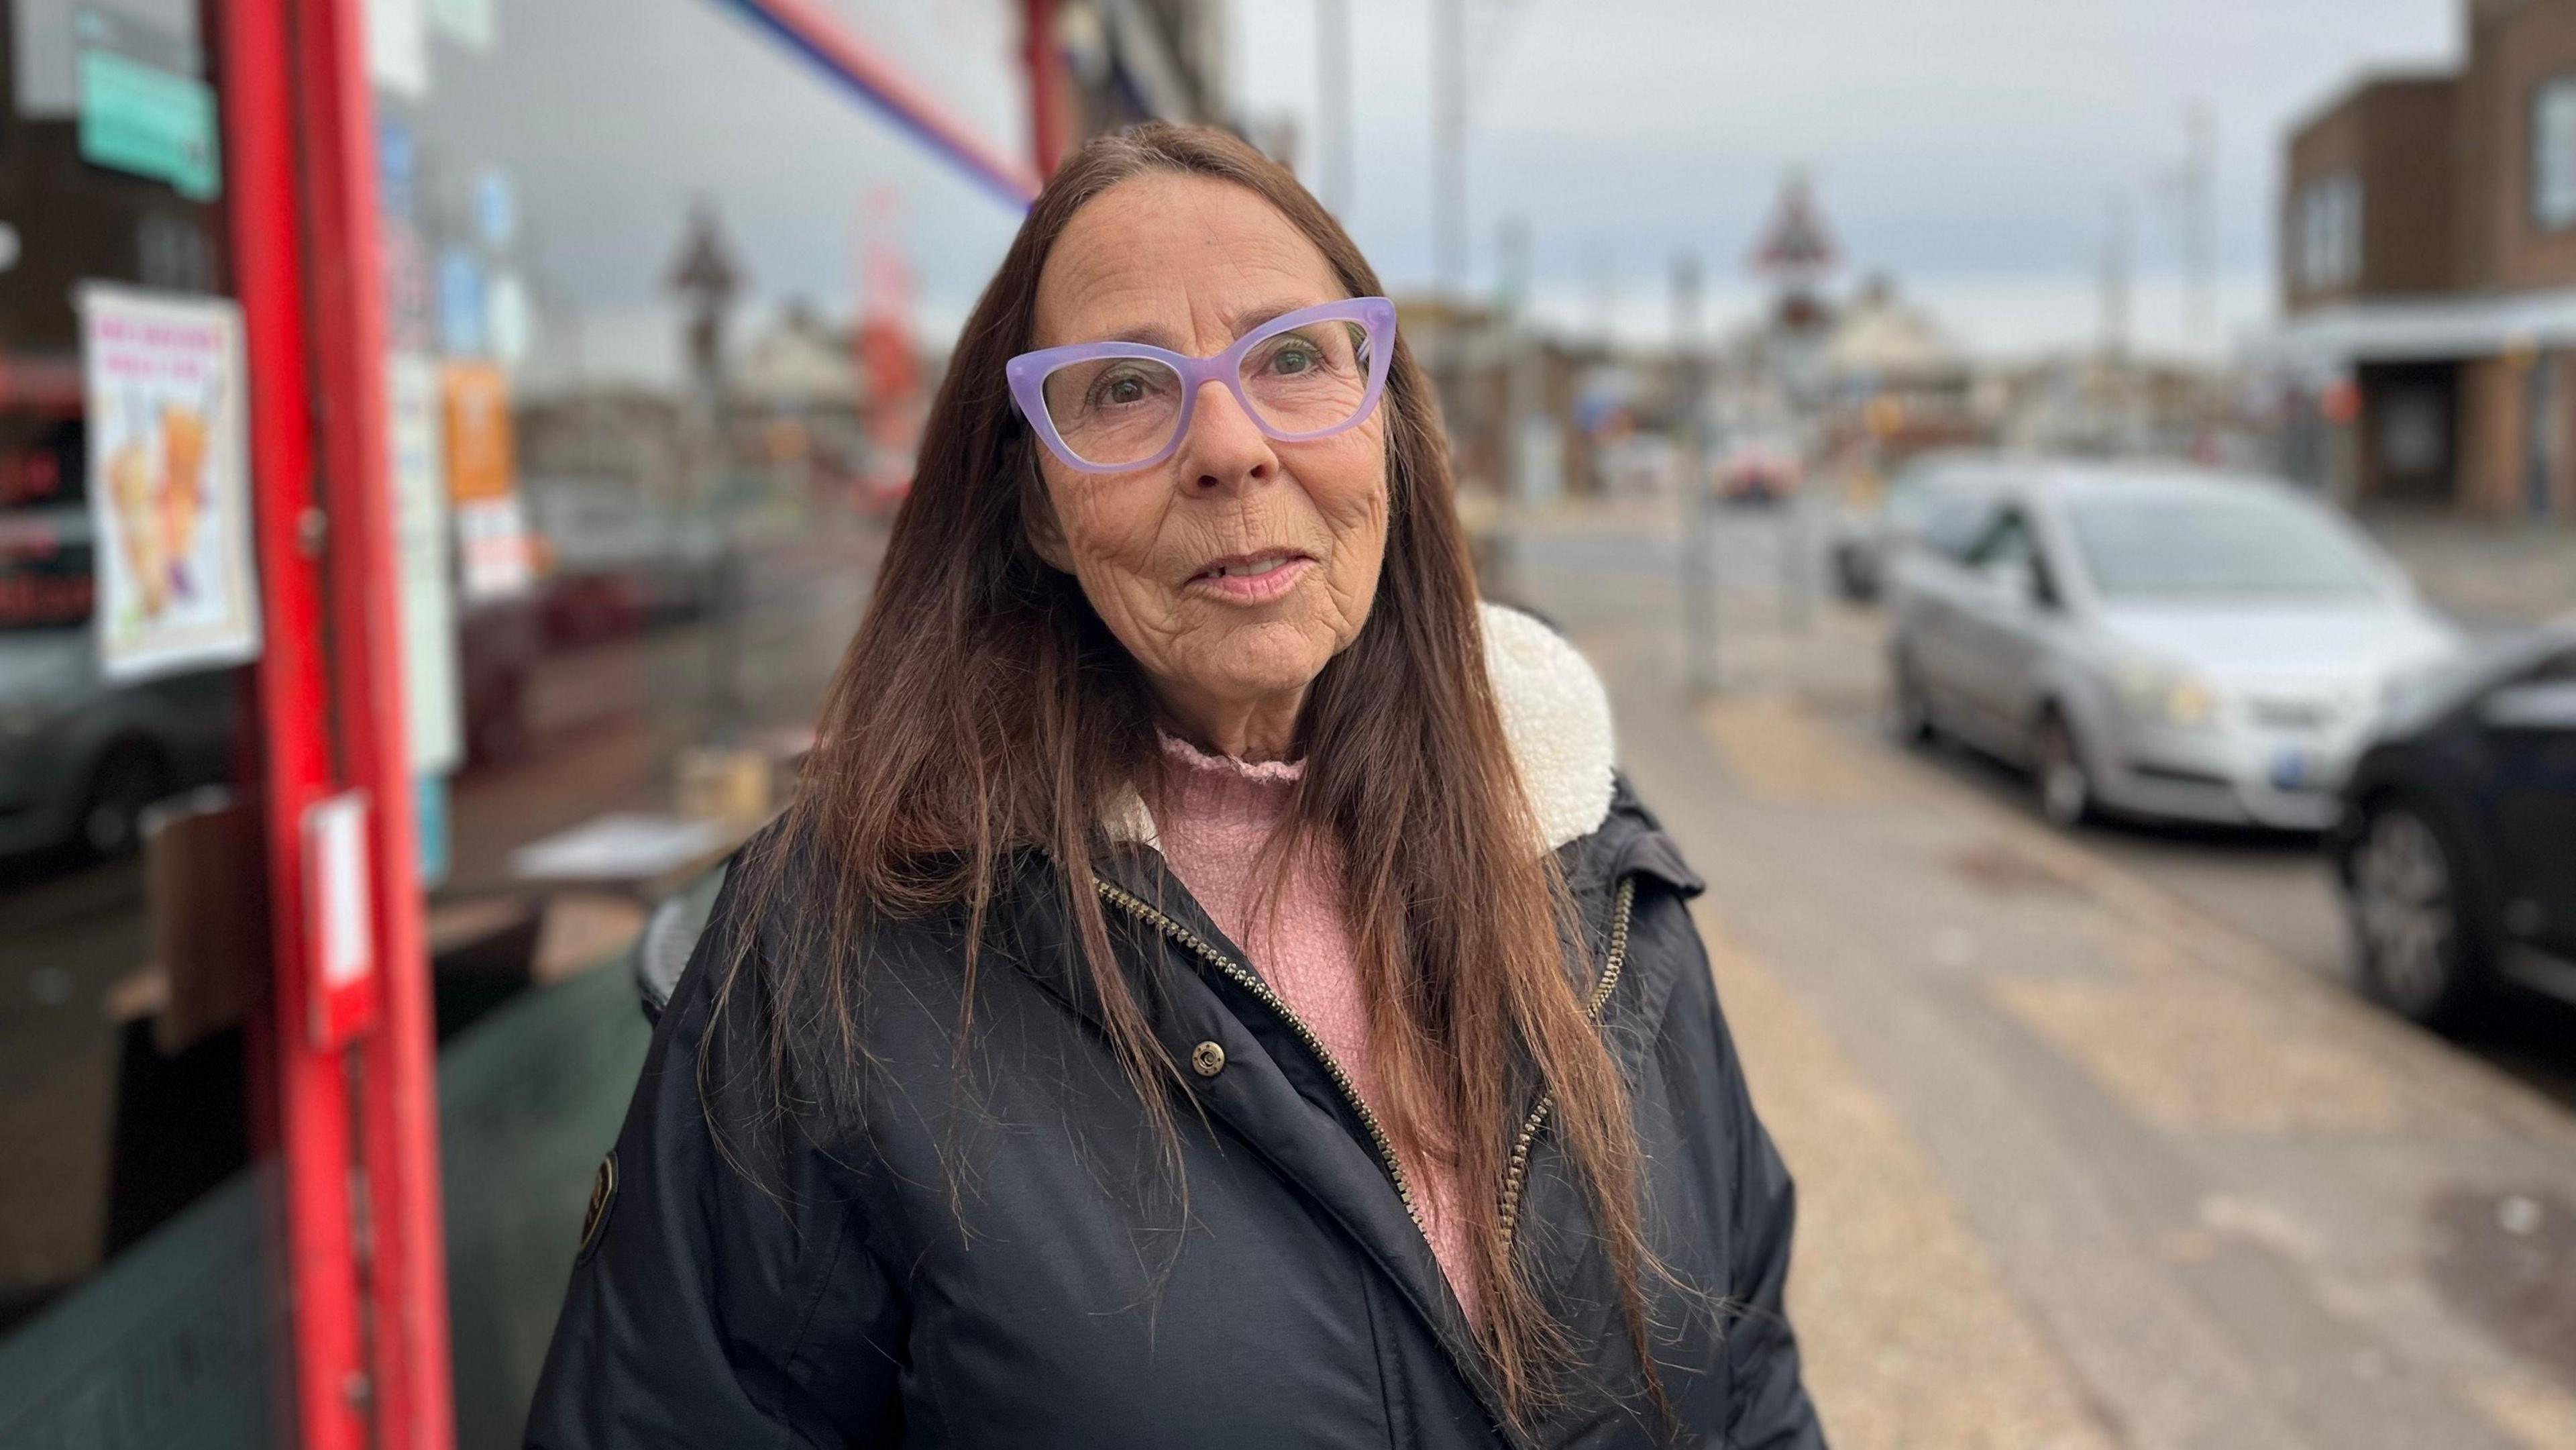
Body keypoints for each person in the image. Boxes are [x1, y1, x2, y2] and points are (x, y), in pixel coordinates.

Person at [527, 122, 1822, 1449]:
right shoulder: (832, 954)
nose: (1229, 447)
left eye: (1295, 359)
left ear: (1385, 431)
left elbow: (1751, 1377)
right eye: (1123, 389)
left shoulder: (1579, 840)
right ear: (1038, 507)